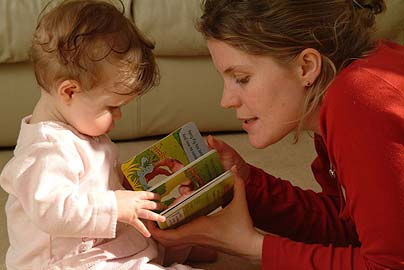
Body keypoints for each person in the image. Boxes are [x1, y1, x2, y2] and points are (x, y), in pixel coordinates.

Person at [148, 0, 404, 269]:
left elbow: (388, 264)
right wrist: (245, 183)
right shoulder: (344, 90)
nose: (226, 100)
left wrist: (249, 246)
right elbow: (354, 231)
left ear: (305, 66)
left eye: (242, 78)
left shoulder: (362, 101)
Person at [0, 1, 214, 269]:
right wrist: (114, 205)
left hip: (99, 244)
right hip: (70, 262)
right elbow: (52, 211)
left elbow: (93, 182)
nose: (118, 117)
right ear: (69, 91)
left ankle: (170, 248)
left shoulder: (79, 126)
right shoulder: (45, 150)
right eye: (111, 107)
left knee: (149, 235)